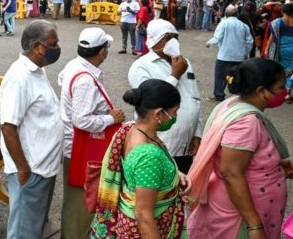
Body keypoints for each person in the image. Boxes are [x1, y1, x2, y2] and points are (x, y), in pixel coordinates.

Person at [187, 58, 292, 239]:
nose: (285, 93)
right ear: (261, 91)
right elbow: (230, 172)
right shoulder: (246, 122)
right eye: (281, 87)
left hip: (235, 205)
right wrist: (254, 225)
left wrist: (274, 164)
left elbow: (240, 157)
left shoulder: (231, 103)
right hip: (240, 215)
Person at [90, 79, 189, 238]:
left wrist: (176, 176)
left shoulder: (130, 129)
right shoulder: (148, 157)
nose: (175, 116)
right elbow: (144, 215)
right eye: (174, 111)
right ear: (158, 113)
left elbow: (142, 176)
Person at [58, 27, 125, 239]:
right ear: (102, 52)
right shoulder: (86, 79)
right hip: (81, 148)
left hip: (75, 145)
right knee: (81, 206)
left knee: (75, 202)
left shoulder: (74, 65)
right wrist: (111, 119)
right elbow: (81, 119)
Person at [0, 20, 63, 239]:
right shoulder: (19, 77)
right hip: (31, 169)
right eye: (53, 44)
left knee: (33, 227)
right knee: (22, 231)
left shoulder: (37, 70)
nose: (57, 48)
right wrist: (23, 169)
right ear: (37, 47)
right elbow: (8, 127)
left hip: (44, 165)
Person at [129, 19, 202, 173]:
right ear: (154, 40)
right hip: (160, 143)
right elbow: (152, 99)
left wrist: (196, 133)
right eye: (167, 37)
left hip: (185, 146)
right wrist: (175, 74)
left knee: (181, 189)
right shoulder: (141, 66)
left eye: (175, 37)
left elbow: (194, 99)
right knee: (159, 189)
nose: (173, 41)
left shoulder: (184, 62)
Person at [205, 5, 253, 102]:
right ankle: (239, 97)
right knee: (238, 77)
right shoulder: (244, 26)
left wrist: (209, 43)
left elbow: (218, 37)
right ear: (237, 14)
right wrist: (246, 52)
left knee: (220, 77)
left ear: (226, 14)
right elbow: (249, 41)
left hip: (224, 56)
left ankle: (219, 95)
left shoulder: (223, 24)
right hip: (239, 57)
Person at [261, 3, 293, 91]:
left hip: (281, 50)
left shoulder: (278, 22)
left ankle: (285, 88)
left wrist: (267, 48)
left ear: (283, 11)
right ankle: (289, 86)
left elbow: (271, 36)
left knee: (282, 68)